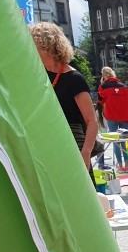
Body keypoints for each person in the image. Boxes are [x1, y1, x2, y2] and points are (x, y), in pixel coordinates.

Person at [29, 22, 98, 179]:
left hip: (73, 141)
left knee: (80, 191)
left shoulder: (74, 78)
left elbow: (92, 121)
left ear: (47, 46)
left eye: (33, 44)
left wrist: (86, 152)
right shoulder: (39, 75)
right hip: (49, 141)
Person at [97, 66, 128, 172]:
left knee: (116, 141)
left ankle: (120, 166)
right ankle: (127, 166)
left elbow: (100, 100)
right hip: (125, 116)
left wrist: (101, 84)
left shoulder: (104, 87)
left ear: (103, 75)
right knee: (124, 141)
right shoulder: (123, 86)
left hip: (111, 116)